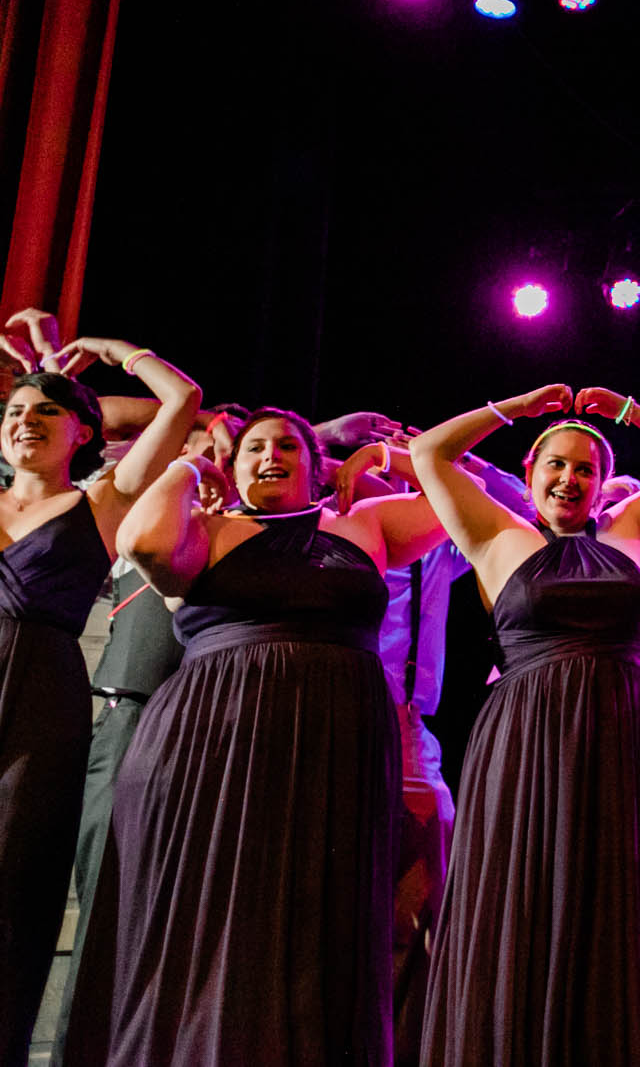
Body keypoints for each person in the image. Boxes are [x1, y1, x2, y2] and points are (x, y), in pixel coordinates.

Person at [68, 406, 439, 1067]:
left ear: (315, 463)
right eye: (254, 448)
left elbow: (455, 493)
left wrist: (384, 458)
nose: (271, 455)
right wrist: (189, 465)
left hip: (338, 736)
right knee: (212, 908)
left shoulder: (361, 523)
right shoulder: (207, 528)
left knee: (318, 916)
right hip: (215, 736)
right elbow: (142, 544)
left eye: (288, 446)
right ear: (232, 467)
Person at [412, 386, 640, 1067]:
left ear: (602, 483)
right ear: (529, 473)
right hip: (525, 738)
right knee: (522, 892)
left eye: (585, 468)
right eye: (556, 464)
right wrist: (516, 407)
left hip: (620, 736)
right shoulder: (499, 533)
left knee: (612, 901)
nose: (569, 478)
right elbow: (429, 451)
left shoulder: (630, 533)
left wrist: (629, 410)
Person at [0, 327, 198, 1067]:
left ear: (82, 431)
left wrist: (112, 352)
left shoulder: (103, 504)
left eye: (47, 412)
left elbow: (182, 401)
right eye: (16, 410)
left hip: (42, 698)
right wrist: (35, 369)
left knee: (14, 891)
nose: (26, 420)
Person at [328, 432, 531, 1067]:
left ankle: (408, 1037)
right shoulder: (334, 545)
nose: (387, 492)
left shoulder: (433, 551)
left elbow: (515, 504)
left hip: (412, 726)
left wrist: (433, 457)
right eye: (369, 481)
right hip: (344, 713)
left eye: (395, 483)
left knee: (426, 874)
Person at [54, 409, 246, 1067]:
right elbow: (106, 423)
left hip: (210, 736)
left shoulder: (239, 536)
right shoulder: (133, 522)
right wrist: (199, 436)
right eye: (192, 452)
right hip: (131, 718)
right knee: (108, 898)